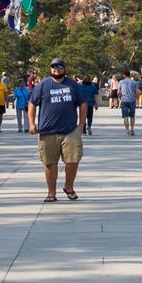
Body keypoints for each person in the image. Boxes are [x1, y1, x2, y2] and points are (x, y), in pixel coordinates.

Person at [29, 58, 86, 202]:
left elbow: (83, 103)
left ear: (65, 69)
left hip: (70, 130)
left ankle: (69, 187)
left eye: (60, 66)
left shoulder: (73, 85)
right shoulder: (43, 85)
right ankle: (51, 192)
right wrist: (31, 123)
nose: (57, 69)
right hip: (47, 131)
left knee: (73, 161)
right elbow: (32, 103)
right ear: (50, 69)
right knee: (49, 163)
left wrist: (81, 125)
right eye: (54, 66)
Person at [118, 70, 139, 136]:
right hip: (132, 100)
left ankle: (127, 130)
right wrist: (136, 99)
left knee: (125, 116)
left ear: (124, 75)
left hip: (124, 100)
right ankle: (132, 129)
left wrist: (119, 98)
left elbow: (118, 92)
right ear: (129, 75)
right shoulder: (134, 82)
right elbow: (137, 92)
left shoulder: (121, 82)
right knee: (132, 116)